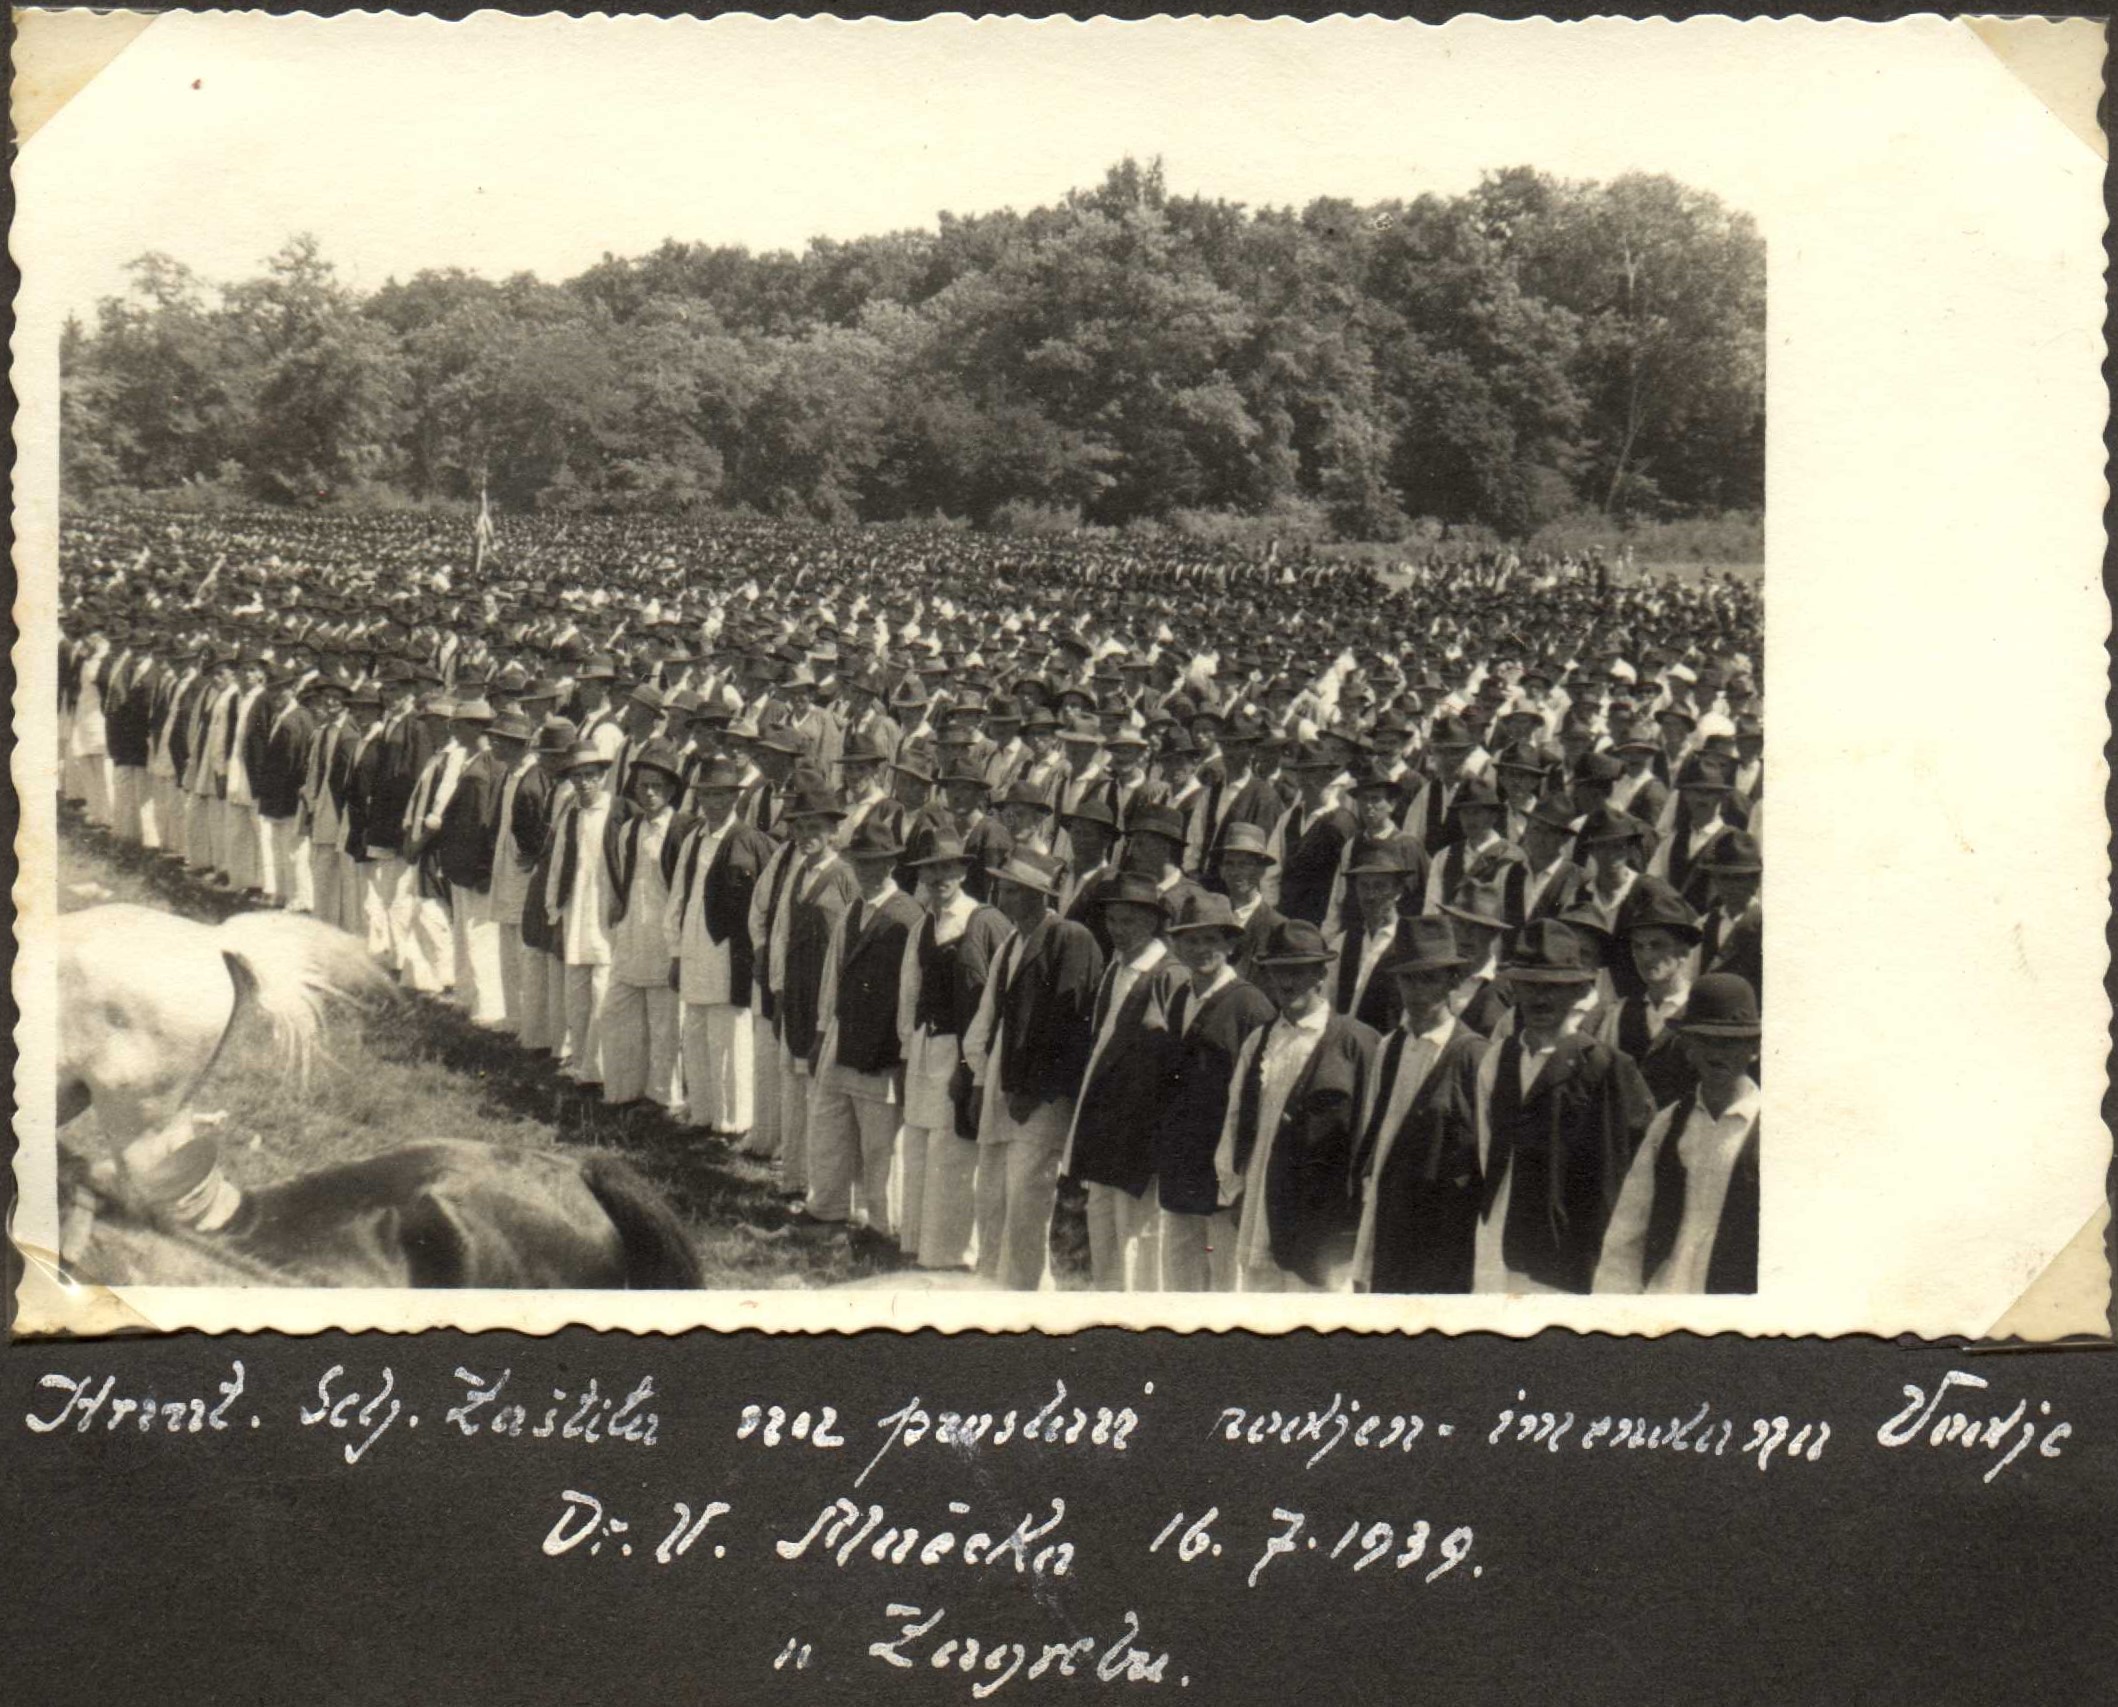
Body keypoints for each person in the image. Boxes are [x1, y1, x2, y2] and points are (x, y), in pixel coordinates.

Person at [1473, 920, 1656, 1294]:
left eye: (1554, 988)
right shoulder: (1497, 1061)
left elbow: (1619, 1179)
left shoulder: (1605, 1066)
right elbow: (1486, 1151)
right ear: (1516, 988)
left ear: (1578, 991)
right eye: (1530, 985)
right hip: (1499, 1246)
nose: (1540, 999)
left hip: (1566, 1258)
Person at [963, 848, 1105, 1290]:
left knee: (1028, 1195)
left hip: (1042, 1094)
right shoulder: (1011, 941)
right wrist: (980, 1081)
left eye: (1013, 890)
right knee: (993, 1189)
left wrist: (1034, 1089)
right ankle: (992, 1280)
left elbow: (1070, 1025)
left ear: (1037, 895)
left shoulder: (1070, 938)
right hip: (1004, 1083)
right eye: (1002, 888)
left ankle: (1024, 1291)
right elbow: (991, 1017)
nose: (1003, 898)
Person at [1214, 918, 1379, 1293]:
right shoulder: (1260, 1040)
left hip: (1322, 1217)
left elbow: (1368, 1135)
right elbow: (1235, 1118)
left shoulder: (1356, 1042)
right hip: (1262, 1205)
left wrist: (1358, 1219)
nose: (1286, 983)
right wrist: (1235, 1189)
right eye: (1277, 973)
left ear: (1321, 974)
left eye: (1298, 973)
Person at [1593, 974, 1762, 1294]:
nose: (1717, 1053)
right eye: (1705, 1040)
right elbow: (1629, 1227)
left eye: (1731, 1042)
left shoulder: (1768, 1130)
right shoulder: (1669, 1123)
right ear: (1688, 1048)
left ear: (1753, 1050)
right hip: (1666, 1295)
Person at [1351, 916, 1488, 1293]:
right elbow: (1376, 1140)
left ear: (1452, 982)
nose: (1417, 990)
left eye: (1429, 978)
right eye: (1408, 978)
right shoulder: (1389, 1047)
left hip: (1445, 1228)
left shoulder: (1473, 1055)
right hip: (1392, 1218)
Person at [894, 831, 1011, 1270]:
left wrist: (972, 1063)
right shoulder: (924, 923)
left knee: (952, 1148)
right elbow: (910, 986)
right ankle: (918, 1244)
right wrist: (907, 1047)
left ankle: (950, 1253)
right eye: (930, 869)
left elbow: (995, 996)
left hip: (960, 1051)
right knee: (920, 1145)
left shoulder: (982, 921)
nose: (939, 877)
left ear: (963, 871)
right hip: (926, 1045)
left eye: (947, 868)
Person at [1063, 871, 1183, 1290]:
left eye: (1128, 921)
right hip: (1104, 1125)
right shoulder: (1116, 968)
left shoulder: (1168, 975)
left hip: (1138, 1131)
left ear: (1152, 922)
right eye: (1112, 920)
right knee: (1104, 1229)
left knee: (1136, 1239)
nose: (1117, 929)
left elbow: (1171, 1067)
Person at [805, 816, 925, 1236]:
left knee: (880, 1143)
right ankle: (829, 1208)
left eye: (874, 864)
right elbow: (832, 975)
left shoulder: (909, 917)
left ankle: (884, 1226)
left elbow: (912, 991)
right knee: (831, 1126)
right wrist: (822, 1032)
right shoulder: (852, 911)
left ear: (890, 866)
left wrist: (903, 1051)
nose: (865, 872)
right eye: (859, 864)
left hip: (881, 1046)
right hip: (844, 1035)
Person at [1156, 891, 1276, 1292]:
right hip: (1181, 1158)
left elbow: (1260, 1095)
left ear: (1229, 944)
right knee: (1180, 1269)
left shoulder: (1250, 1005)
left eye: (1212, 940)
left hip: (1222, 1161)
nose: (1202, 949)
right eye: (1191, 940)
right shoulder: (1179, 998)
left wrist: (1240, 1170)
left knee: (1225, 1273)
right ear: (1177, 945)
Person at [664, 756, 776, 1143]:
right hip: (695, 949)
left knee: (728, 1035)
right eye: (707, 794)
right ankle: (703, 1113)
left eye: (721, 795)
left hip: (728, 953)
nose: (713, 803)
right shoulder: (694, 837)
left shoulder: (748, 839)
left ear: (734, 797)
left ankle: (732, 1122)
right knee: (695, 1031)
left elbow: (761, 903)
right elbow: (679, 894)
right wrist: (676, 951)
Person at [769, 782, 862, 1208]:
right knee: (793, 1087)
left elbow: (853, 944)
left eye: (816, 827)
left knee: (820, 1092)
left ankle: (824, 1188)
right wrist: (778, 988)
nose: (807, 834)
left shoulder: (845, 876)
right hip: (796, 993)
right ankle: (794, 1178)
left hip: (827, 997)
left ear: (833, 832)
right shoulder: (795, 873)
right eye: (800, 826)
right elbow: (782, 935)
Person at [600, 742, 687, 1111]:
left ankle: (663, 1096)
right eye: (643, 786)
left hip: (665, 935)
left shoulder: (682, 830)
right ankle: (623, 1088)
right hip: (634, 931)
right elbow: (622, 878)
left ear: (670, 790)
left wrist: (679, 946)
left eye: (657, 786)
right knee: (619, 1011)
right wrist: (616, 909)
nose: (649, 793)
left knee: (665, 1021)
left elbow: (683, 891)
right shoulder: (630, 829)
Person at [429, 698, 509, 1028]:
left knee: (479, 938)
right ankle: (466, 997)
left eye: (459, 724)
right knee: (466, 934)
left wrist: (482, 869)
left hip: (473, 869)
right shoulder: (474, 762)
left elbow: (483, 824)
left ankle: (487, 1006)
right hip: (462, 866)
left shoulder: (484, 769)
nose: (454, 728)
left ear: (478, 728)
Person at [545, 742, 619, 1090]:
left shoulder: (619, 813)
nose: (584, 783)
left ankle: (601, 1069)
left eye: (591, 776)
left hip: (607, 917)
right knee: (576, 994)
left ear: (603, 777)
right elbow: (559, 864)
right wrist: (555, 912)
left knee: (604, 990)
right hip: (576, 913)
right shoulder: (571, 815)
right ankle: (580, 1063)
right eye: (578, 777)